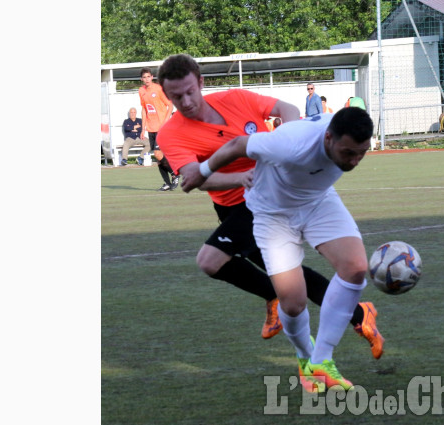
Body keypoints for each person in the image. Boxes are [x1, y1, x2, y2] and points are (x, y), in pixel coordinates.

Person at [155, 54, 384, 359]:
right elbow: (195, 180)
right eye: (175, 97)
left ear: (200, 82)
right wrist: (241, 177)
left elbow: (285, 109)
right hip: (234, 204)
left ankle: (330, 315)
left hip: (267, 199)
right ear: (166, 95)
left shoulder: (235, 98)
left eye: (189, 92)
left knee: (210, 261)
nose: (185, 101)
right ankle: (356, 313)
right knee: (289, 280)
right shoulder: (171, 133)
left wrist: (289, 137)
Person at [182, 107, 376, 392]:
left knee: (356, 267)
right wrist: (202, 172)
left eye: (362, 153)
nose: (355, 160)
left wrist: (351, 153)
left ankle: (321, 362)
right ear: (328, 137)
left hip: (319, 202)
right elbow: (238, 145)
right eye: (348, 153)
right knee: (293, 302)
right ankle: (304, 356)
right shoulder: (291, 145)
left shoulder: (354, 134)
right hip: (272, 214)